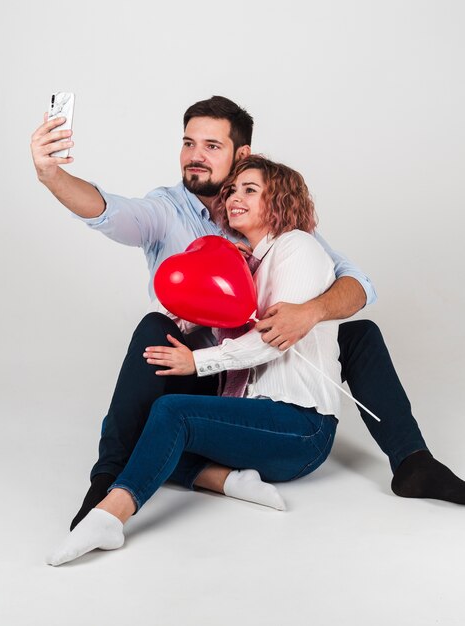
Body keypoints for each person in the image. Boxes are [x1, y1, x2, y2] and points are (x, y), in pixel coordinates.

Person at [30, 96, 465, 530]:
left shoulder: (269, 213)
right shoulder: (166, 209)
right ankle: (108, 480)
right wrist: (52, 175)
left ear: (242, 156)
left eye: (212, 146)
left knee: (360, 333)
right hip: (197, 371)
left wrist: (309, 311)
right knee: (152, 338)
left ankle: (413, 461)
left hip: (260, 368)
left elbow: (357, 284)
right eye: (188, 143)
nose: (195, 156)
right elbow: (109, 210)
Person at [47, 155, 342, 566]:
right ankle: (225, 480)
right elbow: (191, 309)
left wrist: (197, 362)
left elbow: (272, 339)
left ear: (280, 201)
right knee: (148, 433)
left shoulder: (298, 247)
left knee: (173, 413)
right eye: (233, 189)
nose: (235, 197)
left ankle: (110, 516)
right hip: (251, 417)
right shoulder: (247, 264)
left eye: (250, 190)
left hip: (302, 430)